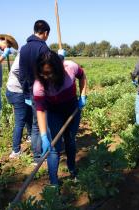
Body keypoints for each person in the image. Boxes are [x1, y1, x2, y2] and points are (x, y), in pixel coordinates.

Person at [33, 50, 87, 185]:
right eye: (42, 73)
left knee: (70, 141)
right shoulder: (39, 85)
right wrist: (44, 136)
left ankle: (72, 168)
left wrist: (83, 95)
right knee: (53, 148)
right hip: (54, 113)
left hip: (72, 110)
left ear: (58, 69)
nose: (45, 77)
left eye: (49, 73)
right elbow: (40, 110)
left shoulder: (70, 68)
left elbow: (83, 76)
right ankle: (54, 182)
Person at [19, 20, 50, 164]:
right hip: (43, 91)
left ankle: (37, 156)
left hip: (31, 91)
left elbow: (22, 74)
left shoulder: (24, 48)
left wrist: (26, 93)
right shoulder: (43, 49)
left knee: (35, 124)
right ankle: (42, 154)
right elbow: (49, 72)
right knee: (44, 122)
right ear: (45, 33)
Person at [6, 53, 33, 159]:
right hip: (17, 92)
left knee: (28, 114)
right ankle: (15, 151)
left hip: (15, 91)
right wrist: (26, 81)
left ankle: (30, 136)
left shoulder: (26, 54)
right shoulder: (24, 55)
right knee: (20, 122)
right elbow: (16, 70)